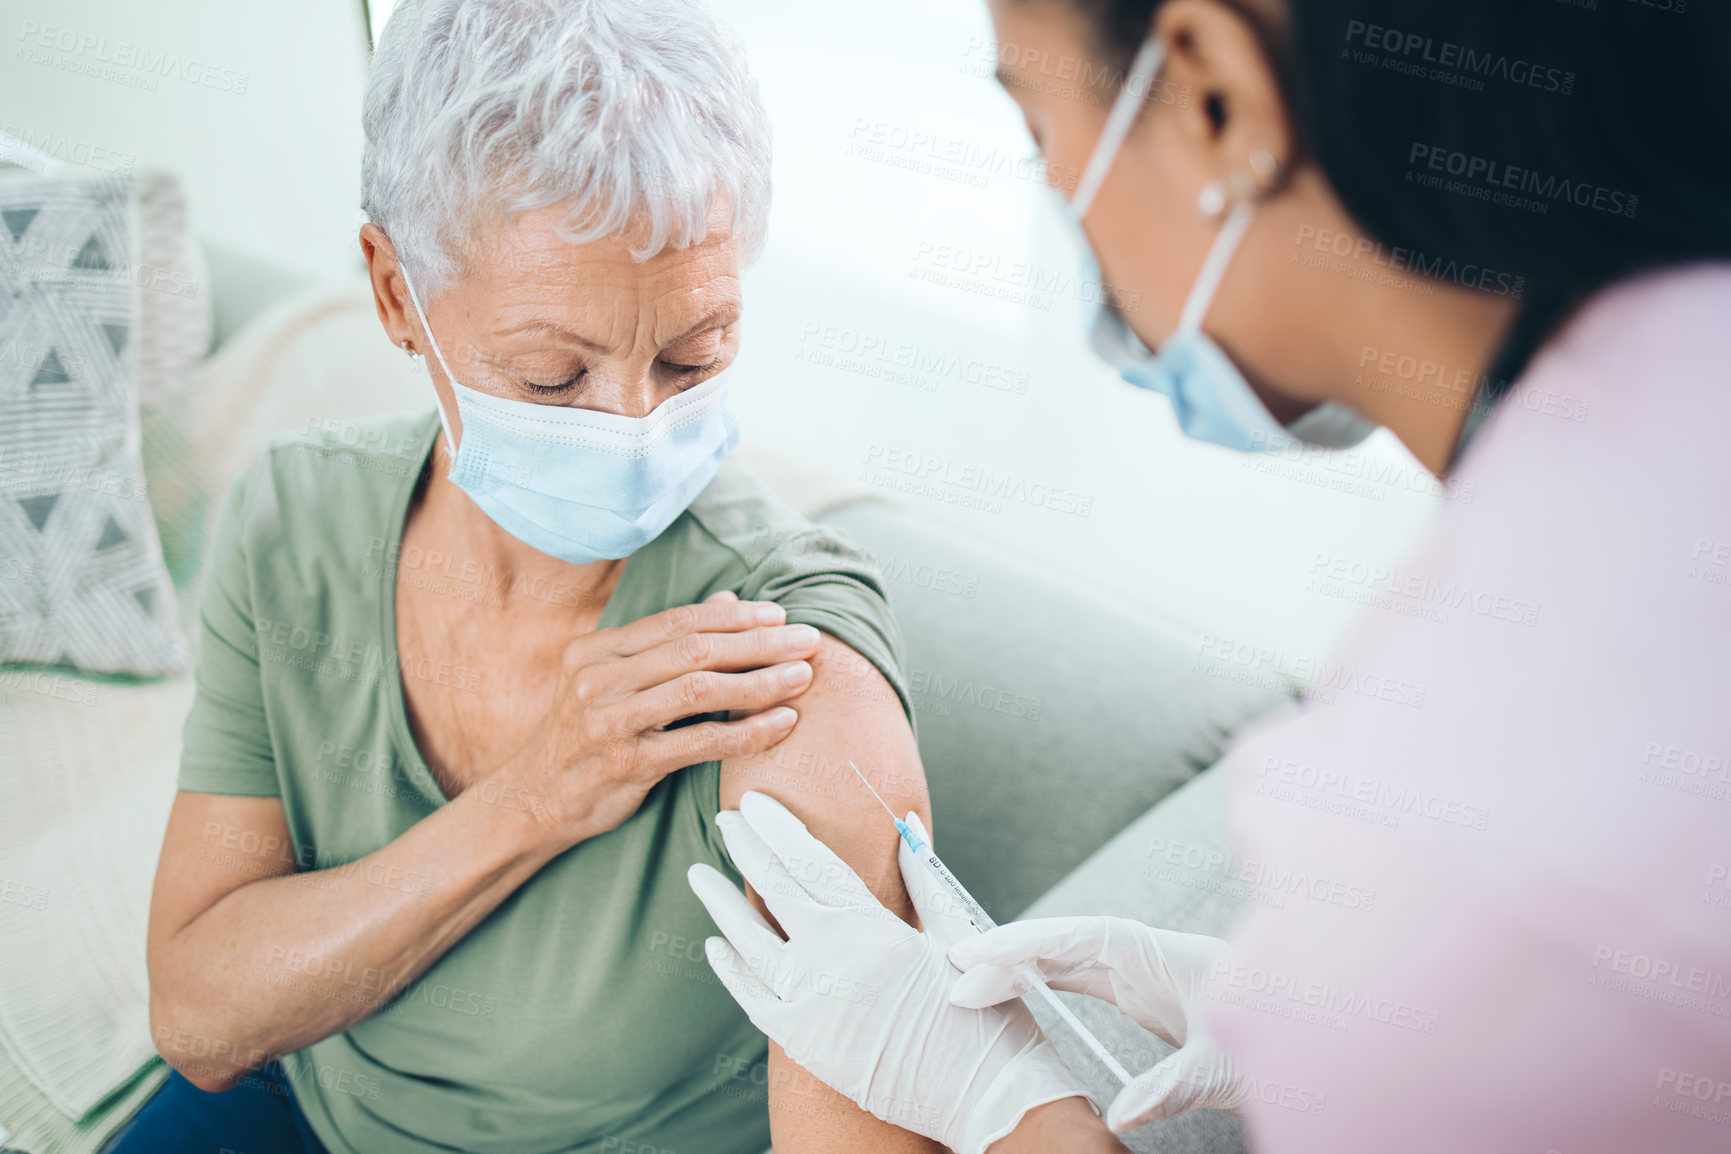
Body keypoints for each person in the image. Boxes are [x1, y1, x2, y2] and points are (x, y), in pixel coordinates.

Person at [691, 0, 1731, 1151]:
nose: (1062, 205)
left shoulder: (1451, 816)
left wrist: (1006, 1106)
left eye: (1042, 137)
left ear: (1213, 94)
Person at [126, 1, 956, 1152]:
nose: (632, 423)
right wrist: (533, 798)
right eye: (553, 375)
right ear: (392, 294)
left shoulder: (781, 656)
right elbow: (203, 1016)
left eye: (692, 353)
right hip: (303, 1110)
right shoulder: (295, 517)